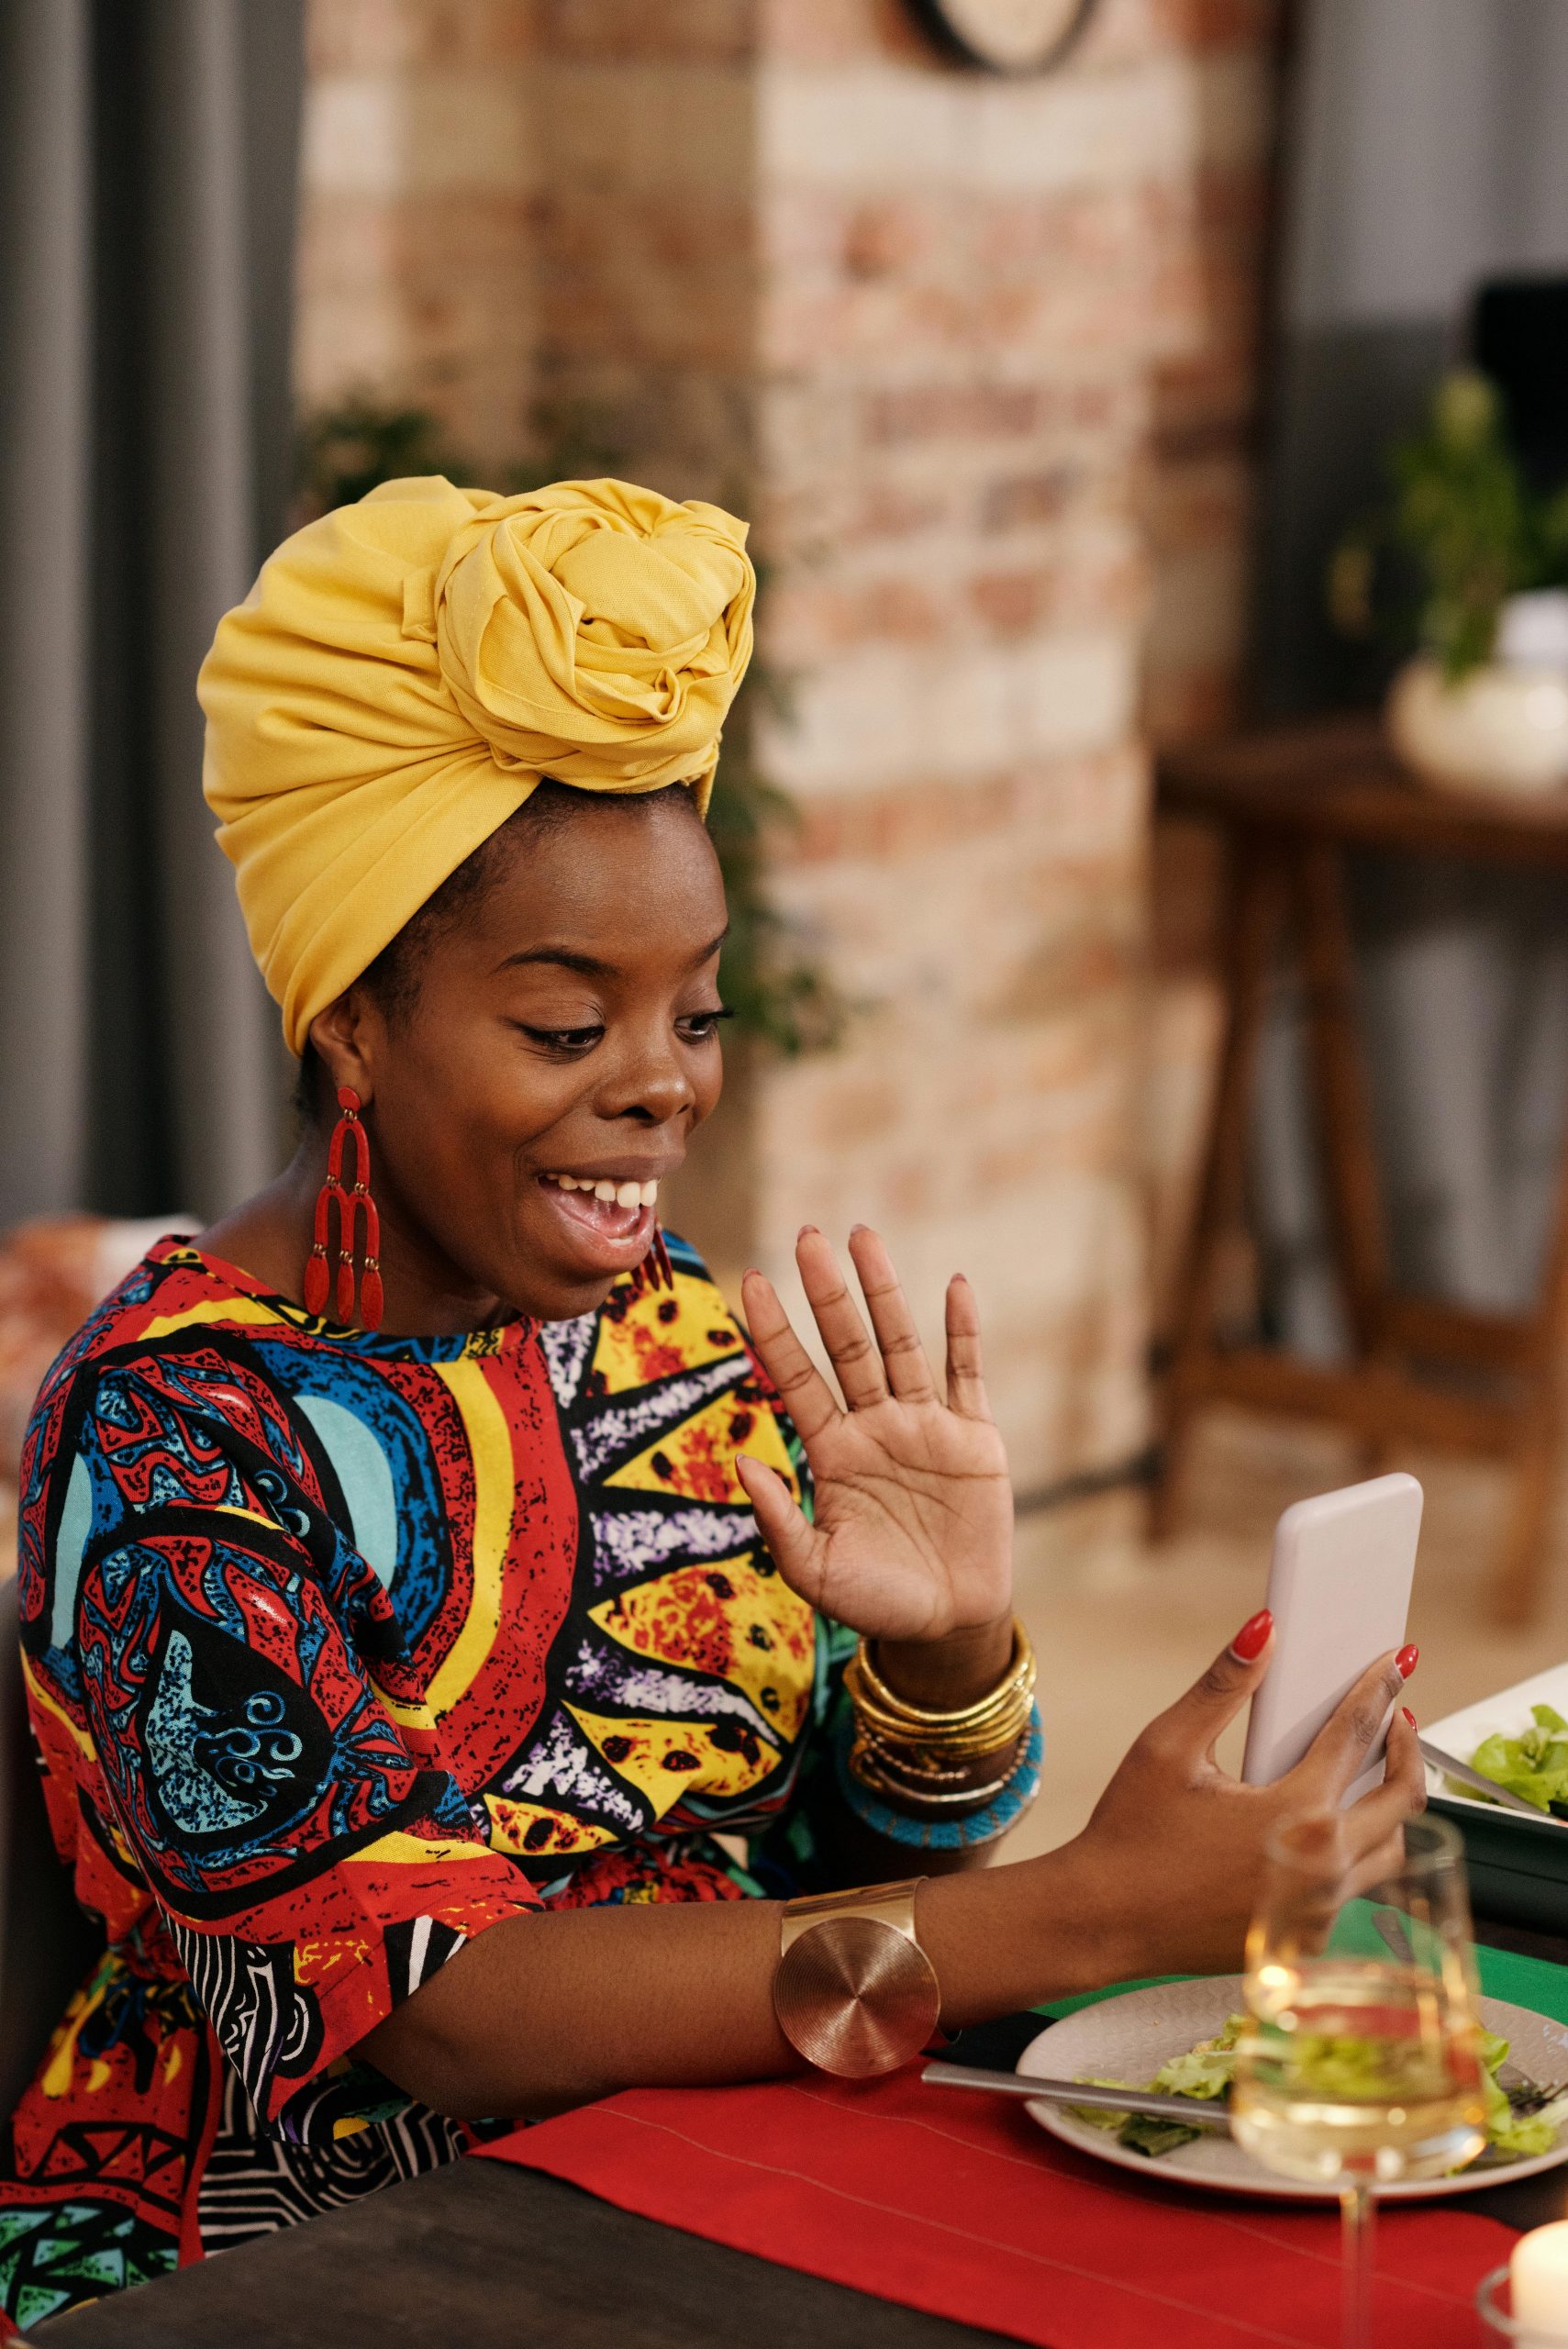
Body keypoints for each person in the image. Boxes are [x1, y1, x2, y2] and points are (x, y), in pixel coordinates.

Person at [0, 476, 1424, 2330]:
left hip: (725, 2163)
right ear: (352, 1016)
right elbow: (438, 2015)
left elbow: (829, 1892)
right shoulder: (171, 1428)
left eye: (698, 1011)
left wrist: (940, 1653)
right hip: (306, 2259)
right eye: (568, 1024)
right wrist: (1091, 1914)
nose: (665, 1088)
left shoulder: (673, 1328)